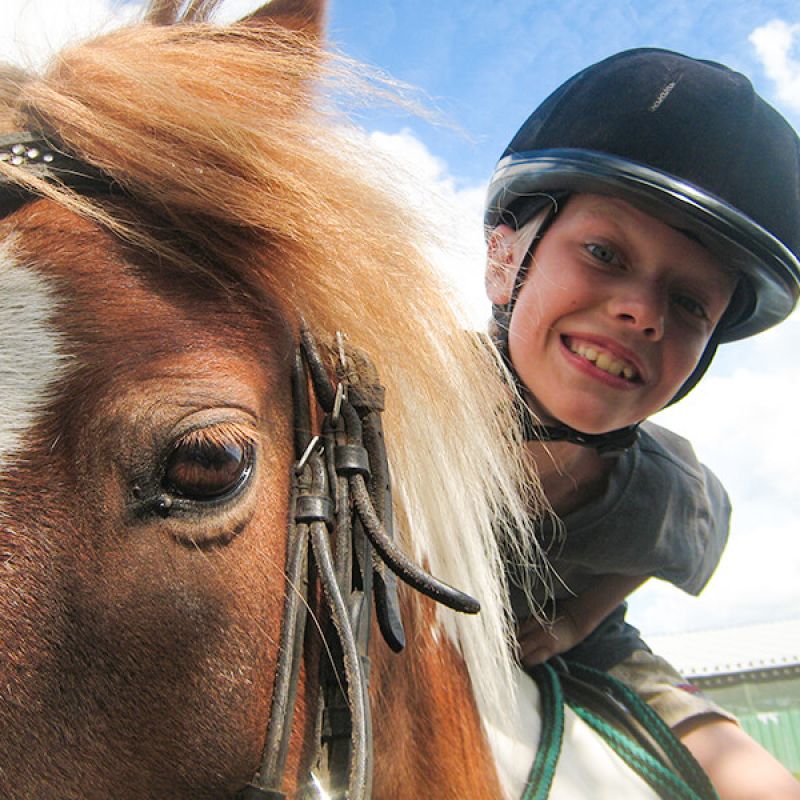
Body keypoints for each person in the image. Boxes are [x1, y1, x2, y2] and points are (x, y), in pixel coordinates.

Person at [483, 48, 800, 799]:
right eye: (603, 252)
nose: (642, 312)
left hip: (589, 649)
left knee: (761, 787)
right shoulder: (388, 394)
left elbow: (655, 548)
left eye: (691, 304)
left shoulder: (663, 482)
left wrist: (571, 626)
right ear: (503, 256)